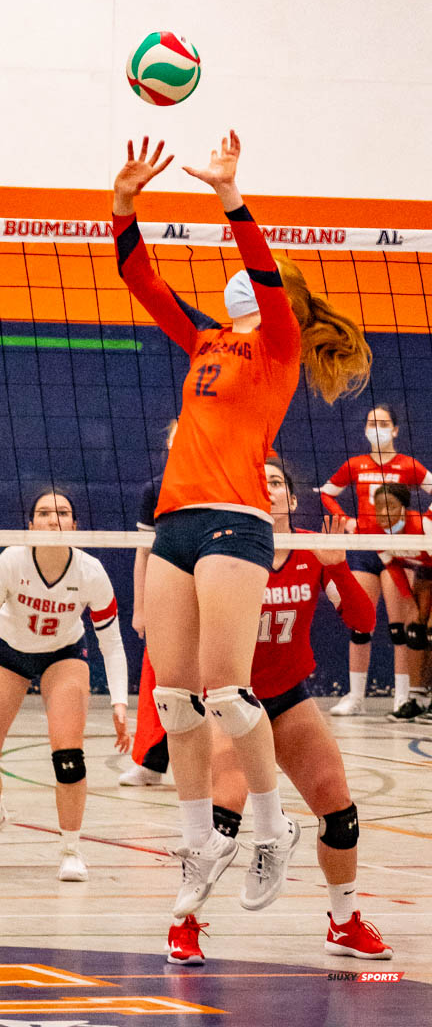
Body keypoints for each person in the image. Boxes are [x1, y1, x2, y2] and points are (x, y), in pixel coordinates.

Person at [112, 131, 372, 926]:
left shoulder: (280, 349)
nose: (236, 287)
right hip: (176, 522)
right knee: (178, 698)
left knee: (228, 690)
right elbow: (141, 279)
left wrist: (230, 197)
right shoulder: (205, 342)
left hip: (234, 524)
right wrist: (123, 205)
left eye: (250, 283)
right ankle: (199, 848)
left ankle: (270, 826)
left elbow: (260, 267)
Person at [165, 461, 392, 965]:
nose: (268, 488)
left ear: (292, 498)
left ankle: (344, 923)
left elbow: (362, 621)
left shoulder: (314, 548)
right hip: (229, 702)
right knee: (218, 823)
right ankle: (182, 925)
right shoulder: (220, 548)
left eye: (277, 482)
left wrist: (336, 565)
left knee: (339, 807)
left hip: (288, 698)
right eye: (258, 480)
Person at [0, 488, 130, 881]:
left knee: (69, 756)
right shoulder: (11, 561)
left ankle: (71, 848)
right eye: (45, 513)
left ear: (75, 523)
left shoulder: (91, 572)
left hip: (63, 654)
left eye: (63, 513)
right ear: (30, 523)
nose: (54, 520)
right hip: (8, 653)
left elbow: (113, 643)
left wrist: (120, 702)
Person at [321, 404, 432, 716]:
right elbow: (327, 493)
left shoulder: (408, 464)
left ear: (395, 430)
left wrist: (423, 522)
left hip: (397, 548)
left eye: (383, 423)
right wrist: (346, 520)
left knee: (400, 629)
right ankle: (355, 698)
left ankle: (402, 696)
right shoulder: (355, 464)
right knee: (360, 626)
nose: (377, 428)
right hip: (364, 547)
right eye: (371, 422)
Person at [119, 419, 178, 786]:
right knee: (157, 681)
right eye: (177, 435)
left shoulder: (218, 487)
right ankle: (151, 763)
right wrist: (140, 607)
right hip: (165, 594)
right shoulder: (155, 490)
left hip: (209, 591)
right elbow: (143, 552)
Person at [368, 484, 432, 721]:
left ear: (404, 508)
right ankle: (415, 699)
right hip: (424, 573)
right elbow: (394, 567)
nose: (383, 512)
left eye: (391, 506)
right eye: (379, 507)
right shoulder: (373, 531)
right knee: (414, 630)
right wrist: (411, 604)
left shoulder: (423, 526)